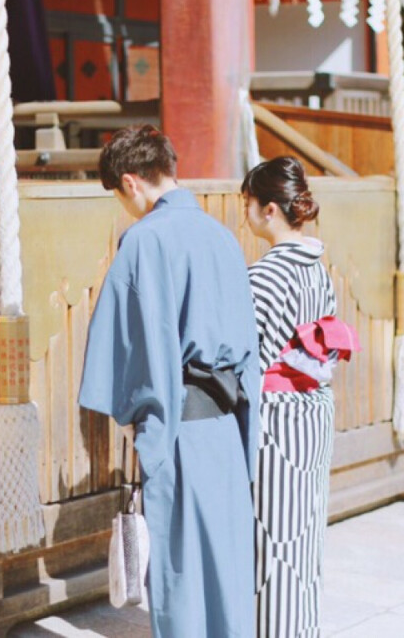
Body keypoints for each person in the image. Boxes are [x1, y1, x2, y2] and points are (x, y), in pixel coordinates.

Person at [78, 125, 261, 638]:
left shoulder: (143, 241)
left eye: (120, 196)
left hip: (179, 428)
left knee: (180, 575)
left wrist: (149, 432)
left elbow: (140, 348)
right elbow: (250, 353)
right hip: (225, 426)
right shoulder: (223, 237)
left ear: (131, 183)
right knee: (225, 566)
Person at [243, 156, 359, 637]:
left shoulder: (264, 276)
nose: (244, 213)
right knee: (303, 534)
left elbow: (246, 355)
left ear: (270, 210)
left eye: (247, 204)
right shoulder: (317, 268)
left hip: (276, 418)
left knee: (272, 537)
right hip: (312, 410)